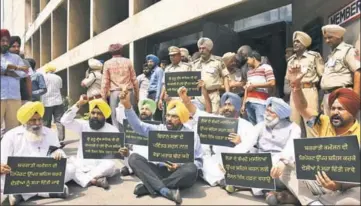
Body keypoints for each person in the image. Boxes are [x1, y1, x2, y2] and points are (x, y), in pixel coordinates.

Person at [279, 65, 361, 205]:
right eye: (333, 108)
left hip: (344, 187)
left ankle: (307, 199)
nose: (335, 112)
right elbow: (303, 107)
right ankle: (313, 202)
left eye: (340, 109)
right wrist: (296, 86)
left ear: (352, 111)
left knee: (354, 199)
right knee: (284, 170)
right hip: (318, 180)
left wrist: (337, 186)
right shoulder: (323, 122)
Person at [117, 87, 202, 204]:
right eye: (168, 116)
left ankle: (150, 186)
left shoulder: (191, 135)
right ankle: (164, 190)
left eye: (174, 117)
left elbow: (198, 161)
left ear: (182, 118)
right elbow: (139, 126)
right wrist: (127, 105)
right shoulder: (160, 129)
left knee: (192, 169)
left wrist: (179, 165)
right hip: (159, 170)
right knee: (134, 158)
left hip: (179, 172)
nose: (169, 119)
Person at [178, 84, 255, 187]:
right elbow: (197, 113)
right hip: (217, 159)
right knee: (205, 162)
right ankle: (222, 180)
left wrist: (240, 142)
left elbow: (251, 147)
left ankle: (228, 178)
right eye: (225, 105)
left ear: (237, 107)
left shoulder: (246, 125)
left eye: (230, 105)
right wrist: (186, 100)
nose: (226, 107)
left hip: (236, 160)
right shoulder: (217, 120)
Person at [1, 102, 74, 205]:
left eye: (40, 119)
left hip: (44, 174)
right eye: (33, 120)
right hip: (21, 176)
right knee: (3, 178)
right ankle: (49, 192)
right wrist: (2, 167)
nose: (38, 123)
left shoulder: (50, 133)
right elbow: (2, 160)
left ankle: (21, 194)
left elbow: (58, 151)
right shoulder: (10, 136)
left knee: (71, 169)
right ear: (24, 121)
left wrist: (58, 153)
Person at [60, 96, 120, 190]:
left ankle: (81, 179)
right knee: (69, 165)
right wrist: (78, 104)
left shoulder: (112, 130)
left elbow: (117, 151)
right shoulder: (83, 125)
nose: (95, 116)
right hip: (81, 164)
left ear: (104, 115)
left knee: (110, 165)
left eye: (99, 113)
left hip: (100, 166)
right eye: (93, 113)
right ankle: (94, 180)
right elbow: (64, 121)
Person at [286, 31, 324, 138]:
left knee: (311, 123)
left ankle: (313, 152)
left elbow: (322, 75)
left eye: (298, 41)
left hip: (309, 90)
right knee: (293, 124)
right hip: (294, 92)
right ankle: (293, 152)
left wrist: (321, 96)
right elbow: (288, 79)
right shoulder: (290, 61)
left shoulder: (314, 56)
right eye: (294, 42)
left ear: (304, 43)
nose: (295, 44)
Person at [320, 24, 360, 116]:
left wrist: (355, 98)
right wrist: (324, 99)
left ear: (339, 36)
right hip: (328, 96)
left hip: (342, 95)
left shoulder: (348, 50)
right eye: (325, 38)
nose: (327, 41)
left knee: (345, 127)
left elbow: (358, 72)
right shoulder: (331, 55)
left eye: (330, 37)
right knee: (329, 128)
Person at [101, 43, 139, 129]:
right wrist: (137, 95)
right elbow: (134, 80)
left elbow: (104, 82)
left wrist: (103, 97)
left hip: (114, 92)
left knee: (115, 117)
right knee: (130, 115)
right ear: (121, 51)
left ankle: (119, 138)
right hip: (128, 92)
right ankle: (130, 138)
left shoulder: (107, 63)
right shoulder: (128, 61)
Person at [117, 98, 157, 176]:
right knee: (121, 151)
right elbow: (120, 116)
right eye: (142, 109)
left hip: (149, 156)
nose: (144, 111)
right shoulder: (133, 123)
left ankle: (133, 169)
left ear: (152, 112)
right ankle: (133, 168)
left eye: (147, 109)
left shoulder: (156, 126)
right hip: (133, 154)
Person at [1, 29, 29, 134]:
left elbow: (25, 73)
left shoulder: (16, 57)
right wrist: (16, 69)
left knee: (13, 131)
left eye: (7, 41)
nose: (5, 43)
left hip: (14, 97)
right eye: (2, 40)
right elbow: (3, 67)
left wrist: (8, 72)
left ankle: (10, 150)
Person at [193, 37, 230, 113]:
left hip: (213, 95)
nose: (201, 50)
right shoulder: (195, 64)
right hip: (199, 96)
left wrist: (227, 94)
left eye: (203, 48)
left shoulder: (218, 61)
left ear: (209, 49)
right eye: (200, 48)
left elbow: (225, 77)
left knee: (213, 119)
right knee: (198, 118)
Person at [243, 51, 276, 125]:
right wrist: (243, 104)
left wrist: (254, 85)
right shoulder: (249, 72)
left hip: (261, 101)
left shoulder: (266, 67)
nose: (247, 62)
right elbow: (247, 88)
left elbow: (272, 83)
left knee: (261, 125)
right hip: (249, 102)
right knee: (252, 126)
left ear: (253, 58)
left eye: (248, 59)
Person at [158, 46, 192, 110]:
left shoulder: (187, 67)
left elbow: (191, 84)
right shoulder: (167, 69)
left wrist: (189, 99)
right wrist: (160, 99)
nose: (171, 57)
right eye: (170, 56)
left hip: (183, 98)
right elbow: (164, 84)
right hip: (170, 99)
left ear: (179, 55)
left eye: (174, 55)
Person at [41, 64, 65, 141]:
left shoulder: (43, 77)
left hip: (47, 102)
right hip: (58, 101)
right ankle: (61, 139)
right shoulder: (58, 77)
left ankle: (47, 139)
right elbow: (60, 88)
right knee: (59, 121)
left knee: (46, 122)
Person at [9, 36, 33, 104]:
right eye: (13, 46)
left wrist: (30, 98)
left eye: (18, 46)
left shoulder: (25, 63)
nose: (17, 48)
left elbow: (28, 80)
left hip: (23, 99)